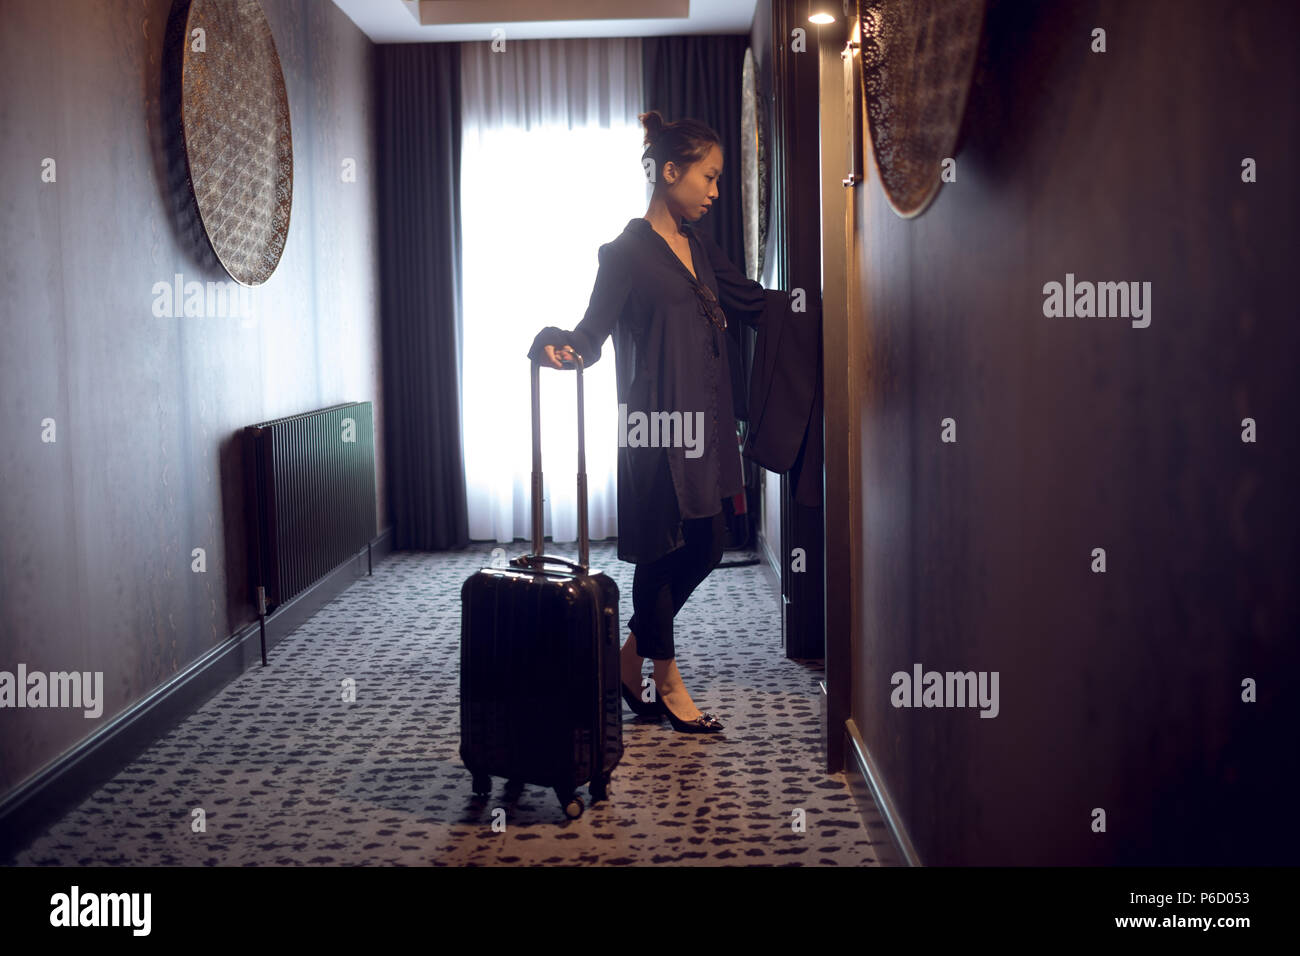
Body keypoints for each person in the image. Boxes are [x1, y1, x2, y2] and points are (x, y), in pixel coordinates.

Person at [527, 110, 801, 734]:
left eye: (718, 179)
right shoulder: (623, 253)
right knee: (661, 554)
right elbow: (592, 335)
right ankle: (667, 679)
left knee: (707, 544)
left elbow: (754, 302)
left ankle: (628, 658)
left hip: (704, 424)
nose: (713, 190)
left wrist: (820, 309)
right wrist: (557, 344)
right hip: (652, 431)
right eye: (707, 177)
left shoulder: (698, 245)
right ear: (669, 171)